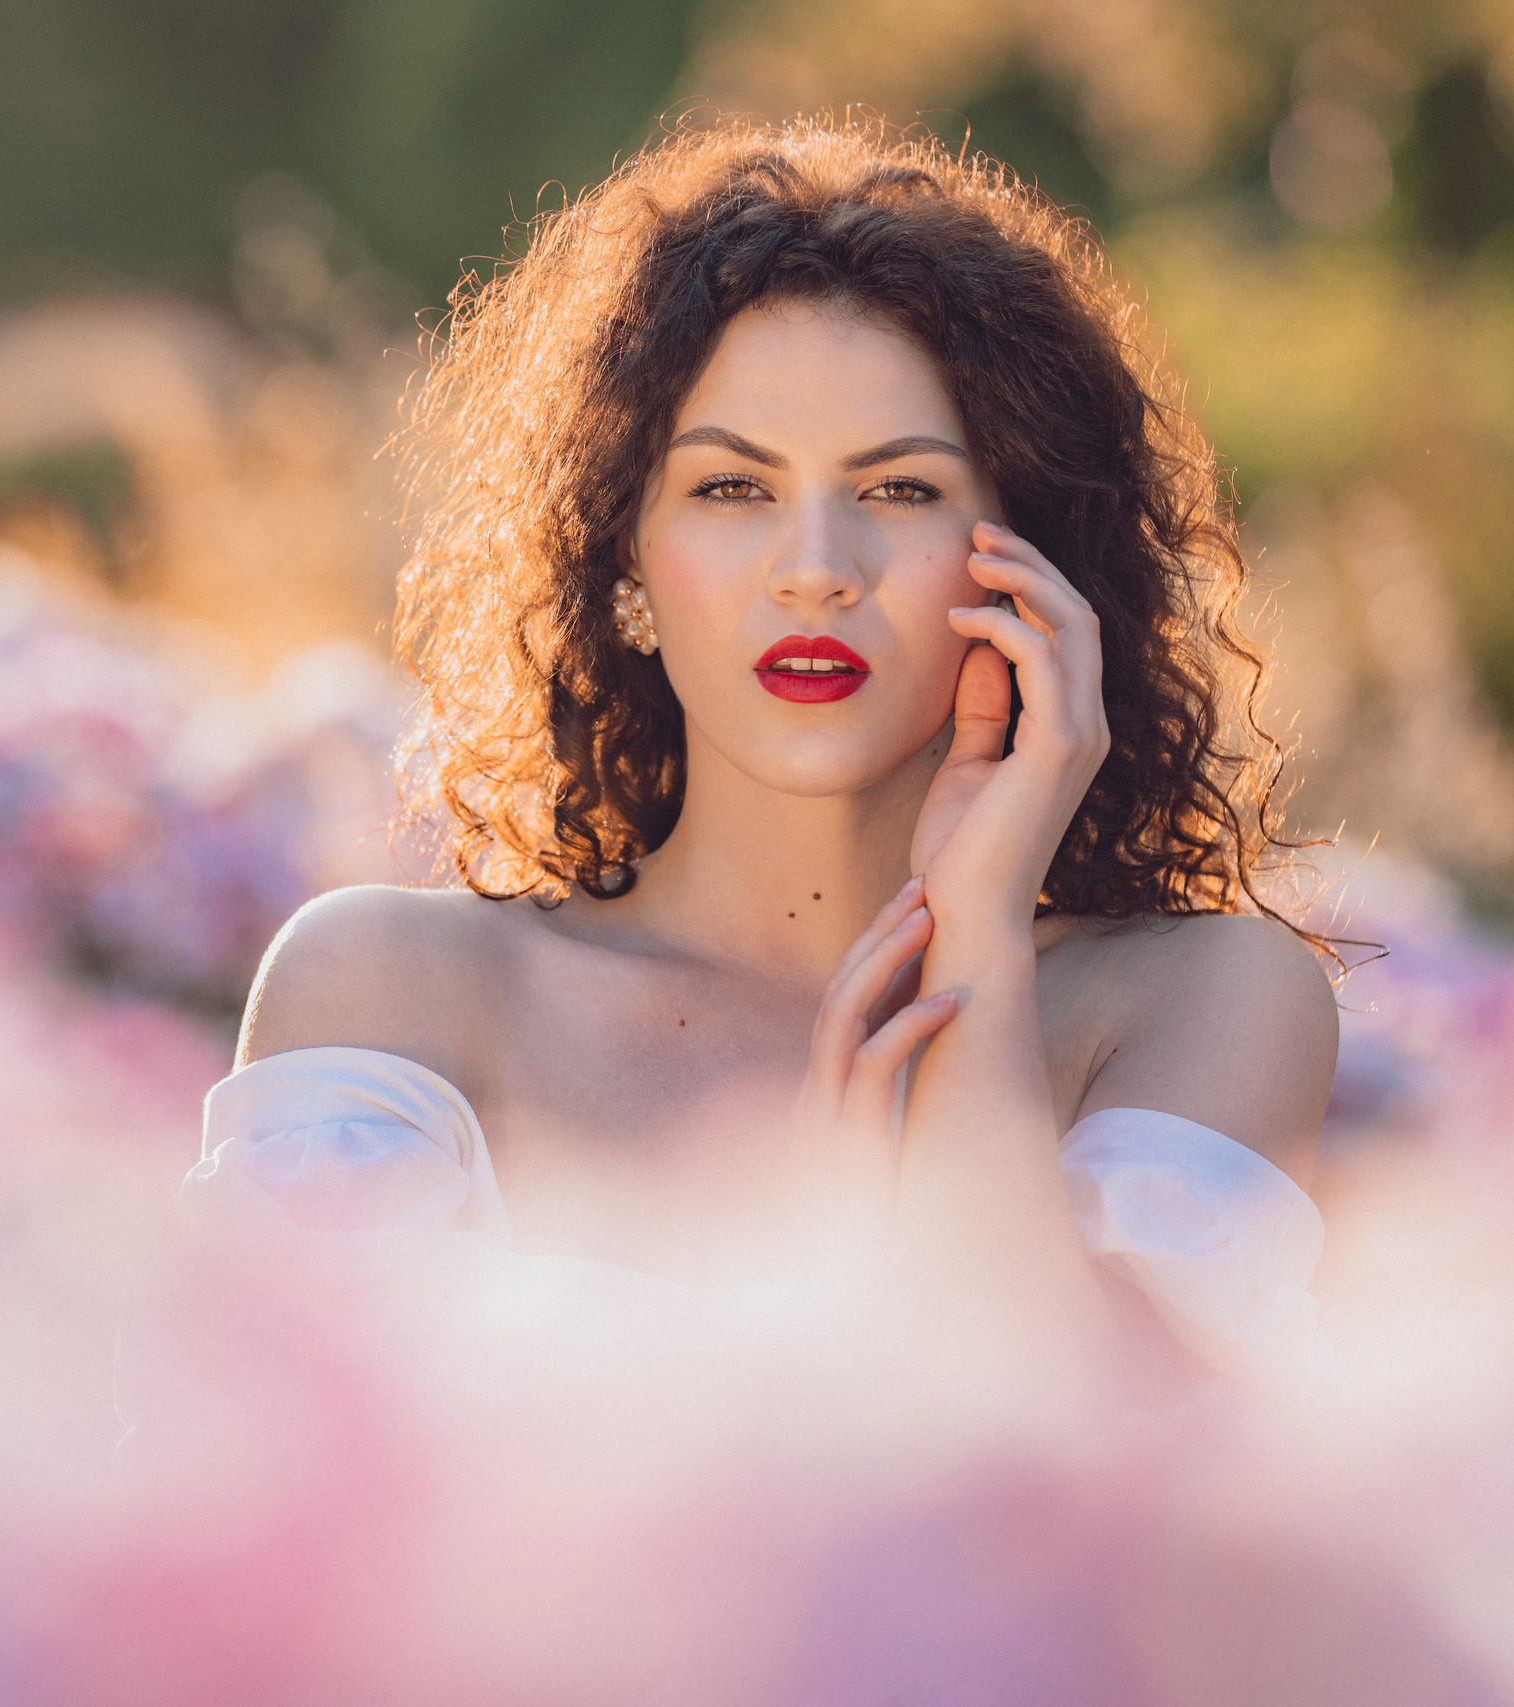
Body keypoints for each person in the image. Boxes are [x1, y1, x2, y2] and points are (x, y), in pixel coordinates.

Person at [186, 118, 1340, 1380]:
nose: (813, 573)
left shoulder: (1202, 1002)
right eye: (732, 489)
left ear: (1028, 564)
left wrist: (980, 976)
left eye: (899, 489)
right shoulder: (390, 992)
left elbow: (1136, 1498)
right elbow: (281, 1509)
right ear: (623, 562)